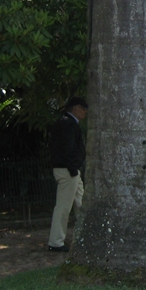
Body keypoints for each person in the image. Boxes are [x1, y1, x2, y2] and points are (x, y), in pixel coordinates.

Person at [48, 97, 88, 252]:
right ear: (75, 108)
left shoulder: (65, 123)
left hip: (70, 170)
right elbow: (68, 149)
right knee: (64, 206)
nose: (85, 112)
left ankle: (86, 234)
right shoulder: (69, 124)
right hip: (68, 170)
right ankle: (56, 241)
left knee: (81, 203)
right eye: (83, 108)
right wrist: (73, 169)